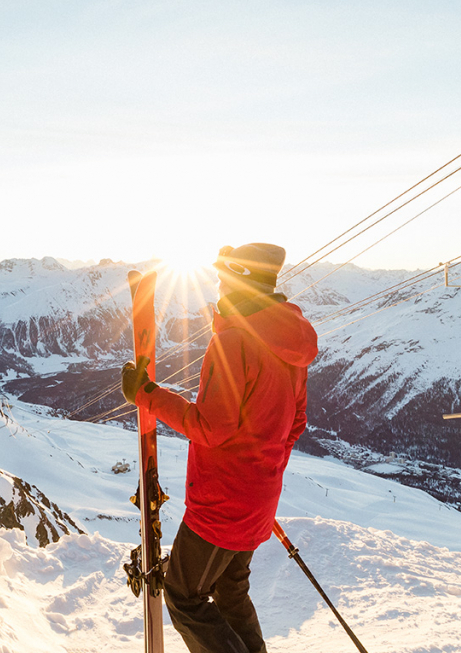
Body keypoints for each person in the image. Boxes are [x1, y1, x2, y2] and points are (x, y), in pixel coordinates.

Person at [121, 243, 317, 653]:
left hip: (222, 505)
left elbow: (209, 426)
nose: (217, 288)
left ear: (238, 282)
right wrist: (260, 469)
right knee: (230, 593)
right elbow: (295, 422)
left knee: (184, 595)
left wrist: (147, 394)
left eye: (221, 279)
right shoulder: (289, 343)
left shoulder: (233, 341)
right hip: (258, 499)